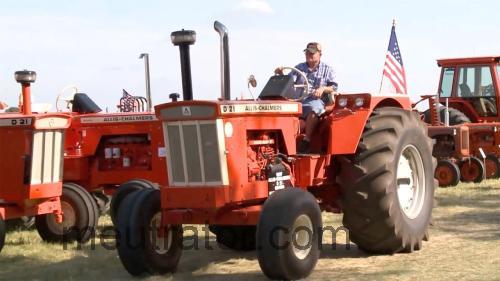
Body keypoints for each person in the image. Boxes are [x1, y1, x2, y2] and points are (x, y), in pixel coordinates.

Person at [275, 42, 338, 153]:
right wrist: (281, 74)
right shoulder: (299, 68)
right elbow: (289, 81)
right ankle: (283, 145)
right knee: (286, 114)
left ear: (320, 54)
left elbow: (333, 87)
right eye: (307, 52)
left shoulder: (327, 69)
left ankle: (306, 140)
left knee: (315, 110)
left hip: (317, 100)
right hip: (300, 100)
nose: (309, 55)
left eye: (312, 53)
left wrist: (322, 89)